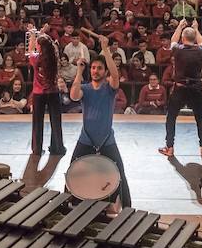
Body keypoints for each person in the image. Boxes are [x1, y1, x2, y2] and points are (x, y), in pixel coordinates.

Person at [69, 33, 132, 208]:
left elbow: (115, 74)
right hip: (86, 139)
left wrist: (105, 49)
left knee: (120, 172)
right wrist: (80, 70)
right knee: (73, 170)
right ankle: (69, 204)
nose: (96, 71)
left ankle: (127, 207)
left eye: (99, 68)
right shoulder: (85, 88)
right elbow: (73, 96)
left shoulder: (110, 88)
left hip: (106, 140)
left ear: (104, 72)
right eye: (94, 68)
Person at [159, 19, 202, 157]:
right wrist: (196, 28)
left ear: (183, 38)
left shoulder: (178, 49)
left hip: (180, 88)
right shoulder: (200, 51)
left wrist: (180, 27)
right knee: (200, 118)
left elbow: (173, 41)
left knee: (171, 118)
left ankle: (169, 147)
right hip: (195, 89)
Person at [28, 27, 66, 155]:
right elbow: (52, 46)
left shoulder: (36, 59)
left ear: (39, 47)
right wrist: (43, 34)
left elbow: (30, 50)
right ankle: (57, 147)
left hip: (39, 94)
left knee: (37, 123)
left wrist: (33, 35)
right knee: (56, 121)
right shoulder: (54, 57)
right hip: (53, 92)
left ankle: (37, 149)